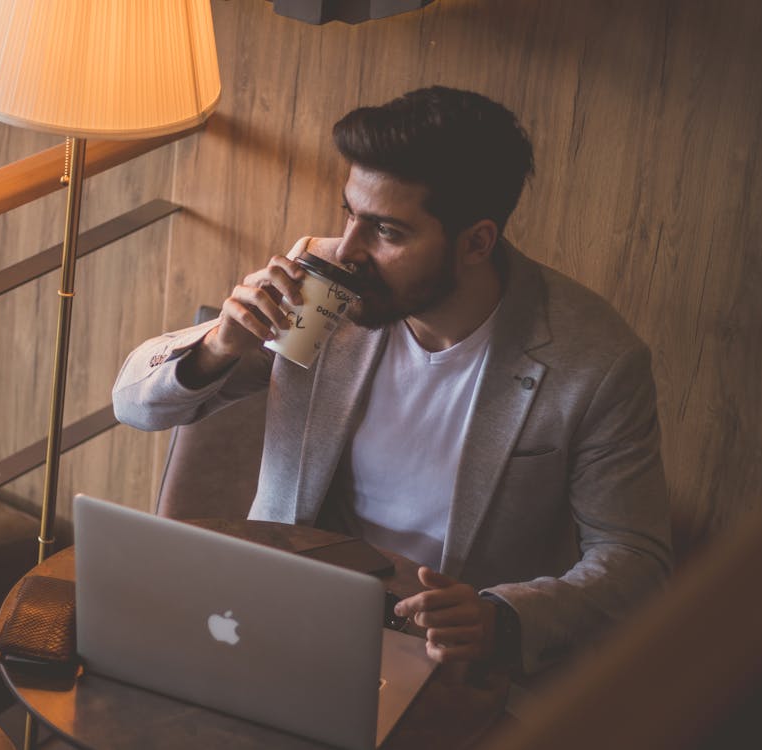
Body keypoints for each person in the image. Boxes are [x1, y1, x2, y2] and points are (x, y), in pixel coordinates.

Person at [112, 86, 672, 676]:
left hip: (455, 665)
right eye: (349, 213)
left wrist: (501, 618)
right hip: (287, 615)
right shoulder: (325, 292)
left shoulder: (596, 360)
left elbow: (636, 560)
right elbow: (134, 405)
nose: (349, 250)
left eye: (387, 232)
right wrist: (221, 344)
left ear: (477, 241)